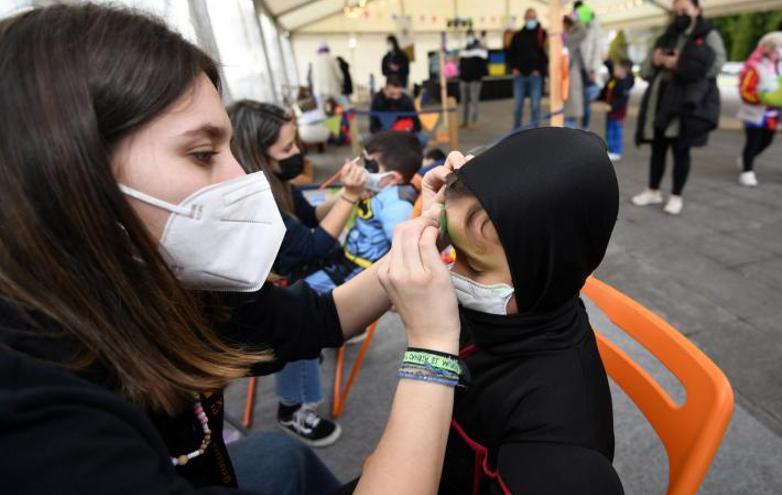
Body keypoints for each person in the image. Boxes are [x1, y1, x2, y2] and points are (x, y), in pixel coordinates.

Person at [0, 5, 461, 494]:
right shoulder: (33, 417)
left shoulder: (157, 277)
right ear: (67, 170)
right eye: (202, 154)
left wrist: (421, 236)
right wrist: (432, 347)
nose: (242, 180)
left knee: (280, 456)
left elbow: (312, 320)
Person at [429, 128, 622, 494]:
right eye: (450, 252)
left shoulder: (557, 461)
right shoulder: (513, 312)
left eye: (474, 266)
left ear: (546, 272)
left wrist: (427, 348)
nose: (449, 275)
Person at [227, 101, 367, 447]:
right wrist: (349, 197)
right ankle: (293, 410)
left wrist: (342, 195)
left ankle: (335, 322)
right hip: (268, 293)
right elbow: (312, 247)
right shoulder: (255, 202)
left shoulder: (277, 182)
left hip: (291, 273)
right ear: (257, 154)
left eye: (296, 144)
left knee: (350, 272)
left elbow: (310, 216)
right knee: (305, 316)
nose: (297, 154)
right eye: (287, 148)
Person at [303, 130, 422, 303]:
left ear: (392, 178)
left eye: (370, 166)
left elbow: (400, 250)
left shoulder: (397, 205)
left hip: (362, 270)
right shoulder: (377, 188)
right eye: (364, 162)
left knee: (306, 297)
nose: (363, 170)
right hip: (349, 256)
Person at [632, 0, 726, 215]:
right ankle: (653, 189)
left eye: (684, 11)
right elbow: (645, 71)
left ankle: (676, 195)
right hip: (660, 100)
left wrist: (680, 66)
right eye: (676, 12)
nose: (680, 15)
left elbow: (716, 65)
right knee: (658, 148)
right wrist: (656, 62)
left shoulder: (708, 35)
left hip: (685, 102)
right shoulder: (667, 36)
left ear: (697, 10)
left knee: (681, 149)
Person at [736, 32, 782, 187]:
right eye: (780, 46)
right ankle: (747, 171)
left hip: (772, 114)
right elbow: (745, 90)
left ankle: (747, 158)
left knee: (767, 140)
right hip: (754, 112)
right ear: (767, 48)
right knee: (753, 141)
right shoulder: (755, 67)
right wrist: (761, 99)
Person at [506, 8, 548, 129]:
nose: (531, 20)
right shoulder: (518, 36)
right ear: (524, 19)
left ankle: (534, 132)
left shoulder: (542, 35)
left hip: (535, 76)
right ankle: (516, 132)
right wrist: (513, 68)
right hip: (519, 76)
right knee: (517, 106)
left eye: (533, 17)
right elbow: (510, 54)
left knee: (535, 106)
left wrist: (539, 70)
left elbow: (545, 55)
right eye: (529, 17)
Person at [573, 1, 607, 129]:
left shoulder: (594, 27)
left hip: (588, 69)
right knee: (579, 99)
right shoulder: (580, 24)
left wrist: (592, 70)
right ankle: (580, 126)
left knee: (586, 100)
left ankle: (584, 128)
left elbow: (596, 49)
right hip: (579, 68)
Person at [600, 59, 635, 161]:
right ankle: (610, 149)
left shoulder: (624, 84)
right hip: (610, 112)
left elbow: (622, 100)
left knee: (616, 131)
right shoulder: (614, 80)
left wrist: (613, 107)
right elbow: (606, 90)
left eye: (617, 69)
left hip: (617, 113)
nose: (614, 70)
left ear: (624, 70)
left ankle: (616, 151)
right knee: (609, 131)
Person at [458, 29, 489, 129]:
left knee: (474, 101)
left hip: (475, 80)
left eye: (470, 35)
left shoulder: (480, 48)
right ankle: (464, 121)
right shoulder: (464, 49)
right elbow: (461, 64)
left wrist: (479, 76)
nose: (469, 37)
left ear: (474, 36)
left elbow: (483, 64)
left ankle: (473, 122)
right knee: (464, 102)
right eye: (468, 35)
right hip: (464, 79)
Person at [563, 14, 587, 128]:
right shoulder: (557, 40)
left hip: (571, 78)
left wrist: (576, 20)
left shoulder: (571, 38)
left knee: (570, 115)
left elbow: (583, 31)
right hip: (563, 79)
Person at [308, 42, 344, 107]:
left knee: (323, 111)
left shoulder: (314, 61)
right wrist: (341, 85)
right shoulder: (332, 59)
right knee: (338, 109)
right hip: (333, 90)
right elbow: (339, 76)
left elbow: (312, 78)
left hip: (319, 92)